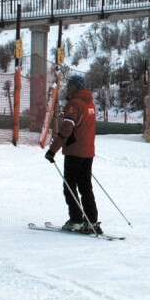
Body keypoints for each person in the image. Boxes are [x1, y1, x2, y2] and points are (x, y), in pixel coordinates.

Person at [44, 75, 100, 235]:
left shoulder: (74, 105)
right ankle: (92, 221)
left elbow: (67, 129)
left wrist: (52, 150)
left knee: (69, 186)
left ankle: (76, 220)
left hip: (75, 152)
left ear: (76, 87)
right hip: (88, 152)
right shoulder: (90, 104)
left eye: (71, 86)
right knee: (85, 187)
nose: (68, 88)